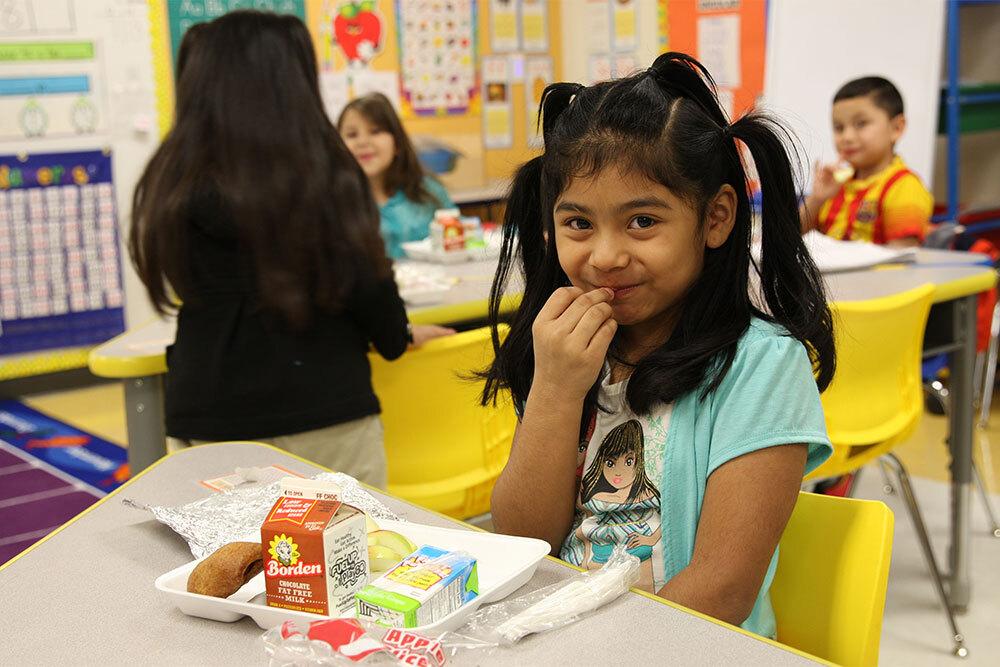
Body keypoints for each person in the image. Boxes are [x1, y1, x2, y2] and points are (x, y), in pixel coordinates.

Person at [480, 53, 836, 637]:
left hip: (685, 646)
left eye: (642, 221)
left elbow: (722, 589)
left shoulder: (762, 365)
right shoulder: (574, 351)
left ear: (716, 217)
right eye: (578, 224)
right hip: (564, 636)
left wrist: (595, 649)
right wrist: (554, 390)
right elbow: (526, 542)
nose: (605, 256)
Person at [129, 11, 451, 487]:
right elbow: (372, 297)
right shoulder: (328, 176)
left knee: (226, 560)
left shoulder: (169, 182)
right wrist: (396, 332)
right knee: (346, 555)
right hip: (324, 411)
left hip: (206, 411)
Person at [800, 76, 933, 246]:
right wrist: (817, 199)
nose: (847, 137)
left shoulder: (904, 186)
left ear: (896, 128)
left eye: (861, 124)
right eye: (839, 128)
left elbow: (902, 256)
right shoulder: (836, 184)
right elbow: (789, 239)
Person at [338, 93, 455, 258]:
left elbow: (459, 238)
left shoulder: (429, 192)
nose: (363, 142)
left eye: (375, 131)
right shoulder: (333, 203)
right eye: (352, 135)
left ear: (397, 143)